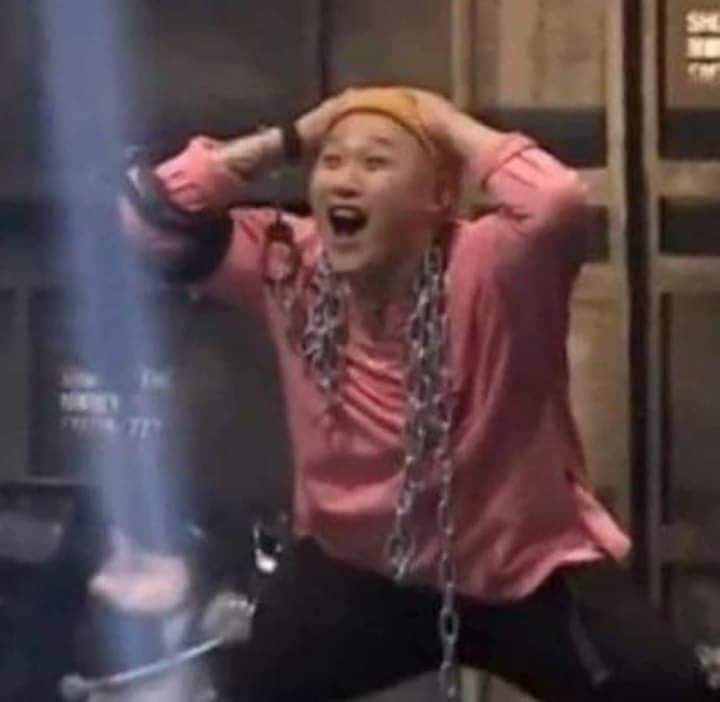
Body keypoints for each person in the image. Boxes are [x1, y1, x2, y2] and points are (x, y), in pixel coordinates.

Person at [114, 86, 718, 701]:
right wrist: (290, 138)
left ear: (439, 199)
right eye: (332, 161)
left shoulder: (493, 266)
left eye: (376, 162)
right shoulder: (288, 261)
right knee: (254, 687)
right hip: (357, 567)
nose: (345, 180)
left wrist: (442, 120)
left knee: (664, 688)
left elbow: (557, 200)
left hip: (520, 568)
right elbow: (144, 220)